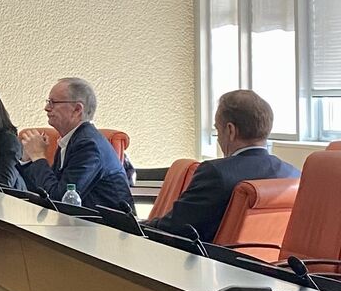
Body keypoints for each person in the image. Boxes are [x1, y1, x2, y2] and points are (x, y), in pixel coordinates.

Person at [149, 89, 298, 246]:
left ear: (230, 130)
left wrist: (139, 227)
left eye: (218, 130)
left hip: (211, 261)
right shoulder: (294, 176)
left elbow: (174, 228)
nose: (218, 138)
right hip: (269, 261)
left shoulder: (216, 173)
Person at [19, 77, 134, 216]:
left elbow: (61, 201)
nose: (47, 108)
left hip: (107, 227)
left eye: (53, 102)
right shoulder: (71, 139)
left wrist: (38, 156)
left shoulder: (88, 145)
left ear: (77, 109)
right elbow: (39, 192)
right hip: (80, 223)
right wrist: (27, 158)